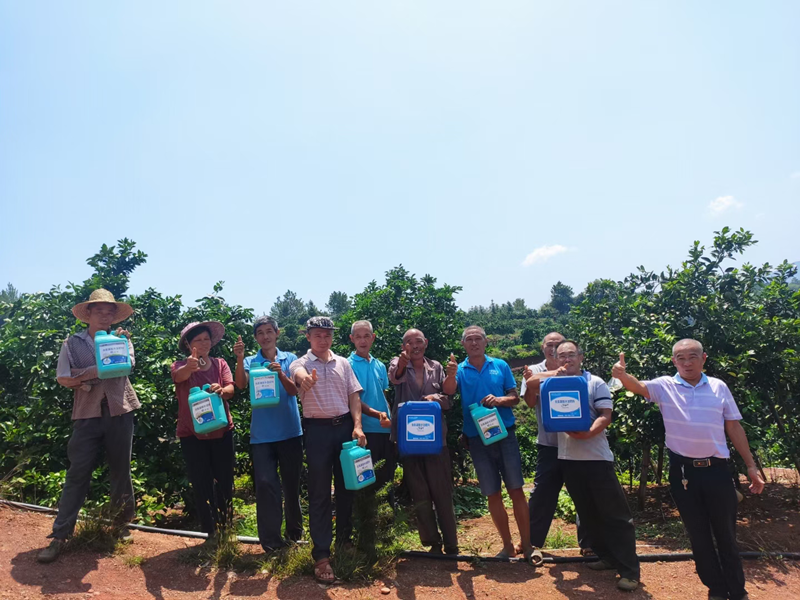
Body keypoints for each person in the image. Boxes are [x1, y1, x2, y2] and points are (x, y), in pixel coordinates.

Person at [612, 339, 765, 600]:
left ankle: (737, 591)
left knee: (726, 534)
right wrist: (622, 375)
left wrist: (751, 465)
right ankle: (716, 589)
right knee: (699, 535)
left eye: (692, 356)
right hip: (683, 474)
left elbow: (734, 427)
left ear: (703, 358)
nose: (687, 362)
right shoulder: (664, 386)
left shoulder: (719, 387)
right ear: (674, 362)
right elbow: (637, 387)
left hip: (717, 471)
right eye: (681, 358)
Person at [528, 340, 640, 591]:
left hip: (596, 459)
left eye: (571, 355)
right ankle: (607, 557)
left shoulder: (595, 382)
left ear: (581, 357)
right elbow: (532, 386)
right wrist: (550, 374)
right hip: (568, 459)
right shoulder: (552, 384)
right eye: (561, 356)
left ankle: (629, 571)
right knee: (588, 514)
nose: (567, 360)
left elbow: (605, 415)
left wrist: (588, 433)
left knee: (615, 515)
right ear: (555, 359)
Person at [37, 289, 140, 564]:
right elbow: (63, 376)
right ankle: (60, 535)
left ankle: (120, 525)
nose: (106, 315)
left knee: (121, 468)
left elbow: (126, 366)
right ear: (89, 314)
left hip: (120, 409)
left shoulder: (122, 339)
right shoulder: (71, 343)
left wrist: (85, 375)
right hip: (87, 413)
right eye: (100, 311)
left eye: (110, 312)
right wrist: (100, 369)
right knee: (78, 471)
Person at [442, 325, 534, 563]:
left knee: (516, 490)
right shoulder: (460, 369)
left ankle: (528, 545)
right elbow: (448, 392)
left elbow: (515, 397)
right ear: (463, 344)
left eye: (478, 339)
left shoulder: (500, 365)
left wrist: (500, 400)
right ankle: (507, 546)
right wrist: (450, 374)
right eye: (469, 340)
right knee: (492, 494)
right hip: (477, 439)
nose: (474, 343)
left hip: (505, 435)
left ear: (486, 342)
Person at [289, 316, 366, 584]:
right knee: (320, 492)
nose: (323, 339)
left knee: (347, 488)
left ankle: (345, 540)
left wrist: (357, 426)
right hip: (317, 432)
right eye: (317, 335)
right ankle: (321, 554)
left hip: (344, 428)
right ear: (308, 337)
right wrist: (304, 381)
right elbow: (297, 376)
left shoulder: (343, 363)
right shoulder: (300, 363)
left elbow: (354, 395)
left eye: (327, 335)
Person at [233, 316, 302, 553]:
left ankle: (294, 536)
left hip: (291, 432)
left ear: (277, 333)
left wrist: (281, 373)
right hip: (262, 436)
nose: (265, 336)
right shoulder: (252, 361)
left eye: (269, 331)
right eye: (260, 332)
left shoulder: (290, 359)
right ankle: (272, 542)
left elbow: (294, 391)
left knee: (292, 485)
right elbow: (240, 385)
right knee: (265, 485)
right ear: (255, 337)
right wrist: (240, 358)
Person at [520, 332, 592, 555]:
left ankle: (589, 544)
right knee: (542, 494)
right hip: (549, 443)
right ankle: (531, 543)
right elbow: (530, 403)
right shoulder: (534, 371)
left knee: (584, 493)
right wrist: (543, 379)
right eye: (549, 344)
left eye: (557, 344)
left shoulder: (574, 368)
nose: (553, 348)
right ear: (542, 347)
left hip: (578, 442)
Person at [389, 328, 459, 555]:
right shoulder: (397, 362)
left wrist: (448, 379)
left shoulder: (437, 366)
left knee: (442, 490)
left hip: (435, 438)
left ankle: (451, 542)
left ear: (426, 342)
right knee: (419, 491)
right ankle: (432, 542)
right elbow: (395, 377)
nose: (414, 346)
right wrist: (402, 362)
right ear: (404, 346)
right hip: (408, 440)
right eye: (409, 342)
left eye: (418, 341)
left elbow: (448, 397)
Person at [171, 321, 235, 542]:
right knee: (201, 481)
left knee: (225, 479)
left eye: (206, 339)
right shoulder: (180, 365)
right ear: (189, 344)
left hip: (222, 432)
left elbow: (230, 388)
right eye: (198, 340)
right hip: (192, 434)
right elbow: (178, 377)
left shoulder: (220, 364)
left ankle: (226, 527)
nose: (204, 343)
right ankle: (210, 531)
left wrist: (222, 389)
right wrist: (190, 366)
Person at [347, 320, 396, 506]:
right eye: (358, 337)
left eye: (366, 336)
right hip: (365, 432)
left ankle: (387, 524)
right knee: (367, 480)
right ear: (352, 339)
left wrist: (390, 422)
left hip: (385, 430)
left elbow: (383, 397)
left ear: (373, 338)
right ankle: (369, 528)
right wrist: (378, 415)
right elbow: (355, 399)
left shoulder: (379, 365)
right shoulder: (348, 365)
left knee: (387, 479)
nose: (362, 340)